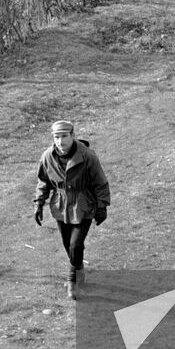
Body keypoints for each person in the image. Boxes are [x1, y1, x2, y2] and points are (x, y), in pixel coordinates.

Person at [33, 120, 111, 300]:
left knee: (76, 244)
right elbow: (43, 182)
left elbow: (100, 182)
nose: (60, 141)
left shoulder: (87, 155)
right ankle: (79, 268)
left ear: (73, 136)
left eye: (64, 136)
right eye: (56, 137)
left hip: (84, 205)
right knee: (68, 244)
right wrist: (39, 203)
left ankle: (72, 279)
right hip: (60, 206)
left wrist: (102, 206)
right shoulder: (47, 157)